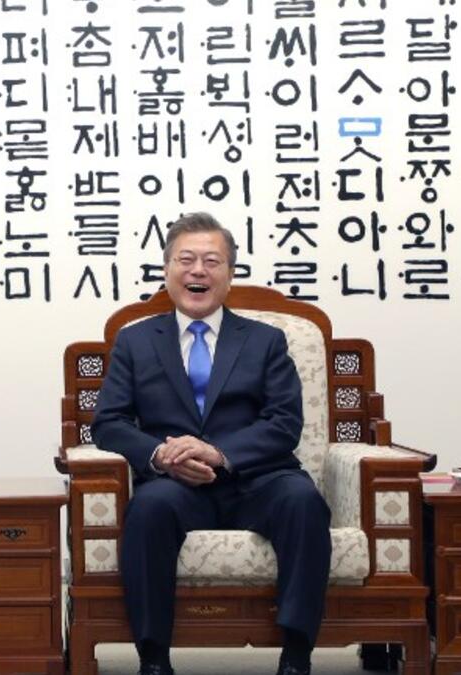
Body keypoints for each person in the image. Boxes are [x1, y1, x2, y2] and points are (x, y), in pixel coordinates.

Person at [91, 212, 330, 675]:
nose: (198, 270)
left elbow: (284, 422)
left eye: (211, 261)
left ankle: (297, 655)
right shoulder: (135, 341)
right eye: (186, 259)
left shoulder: (266, 340)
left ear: (230, 274)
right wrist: (160, 455)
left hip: (258, 478)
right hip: (175, 483)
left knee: (303, 501)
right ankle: (154, 658)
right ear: (167, 270)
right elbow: (109, 423)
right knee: (148, 510)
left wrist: (219, 453)